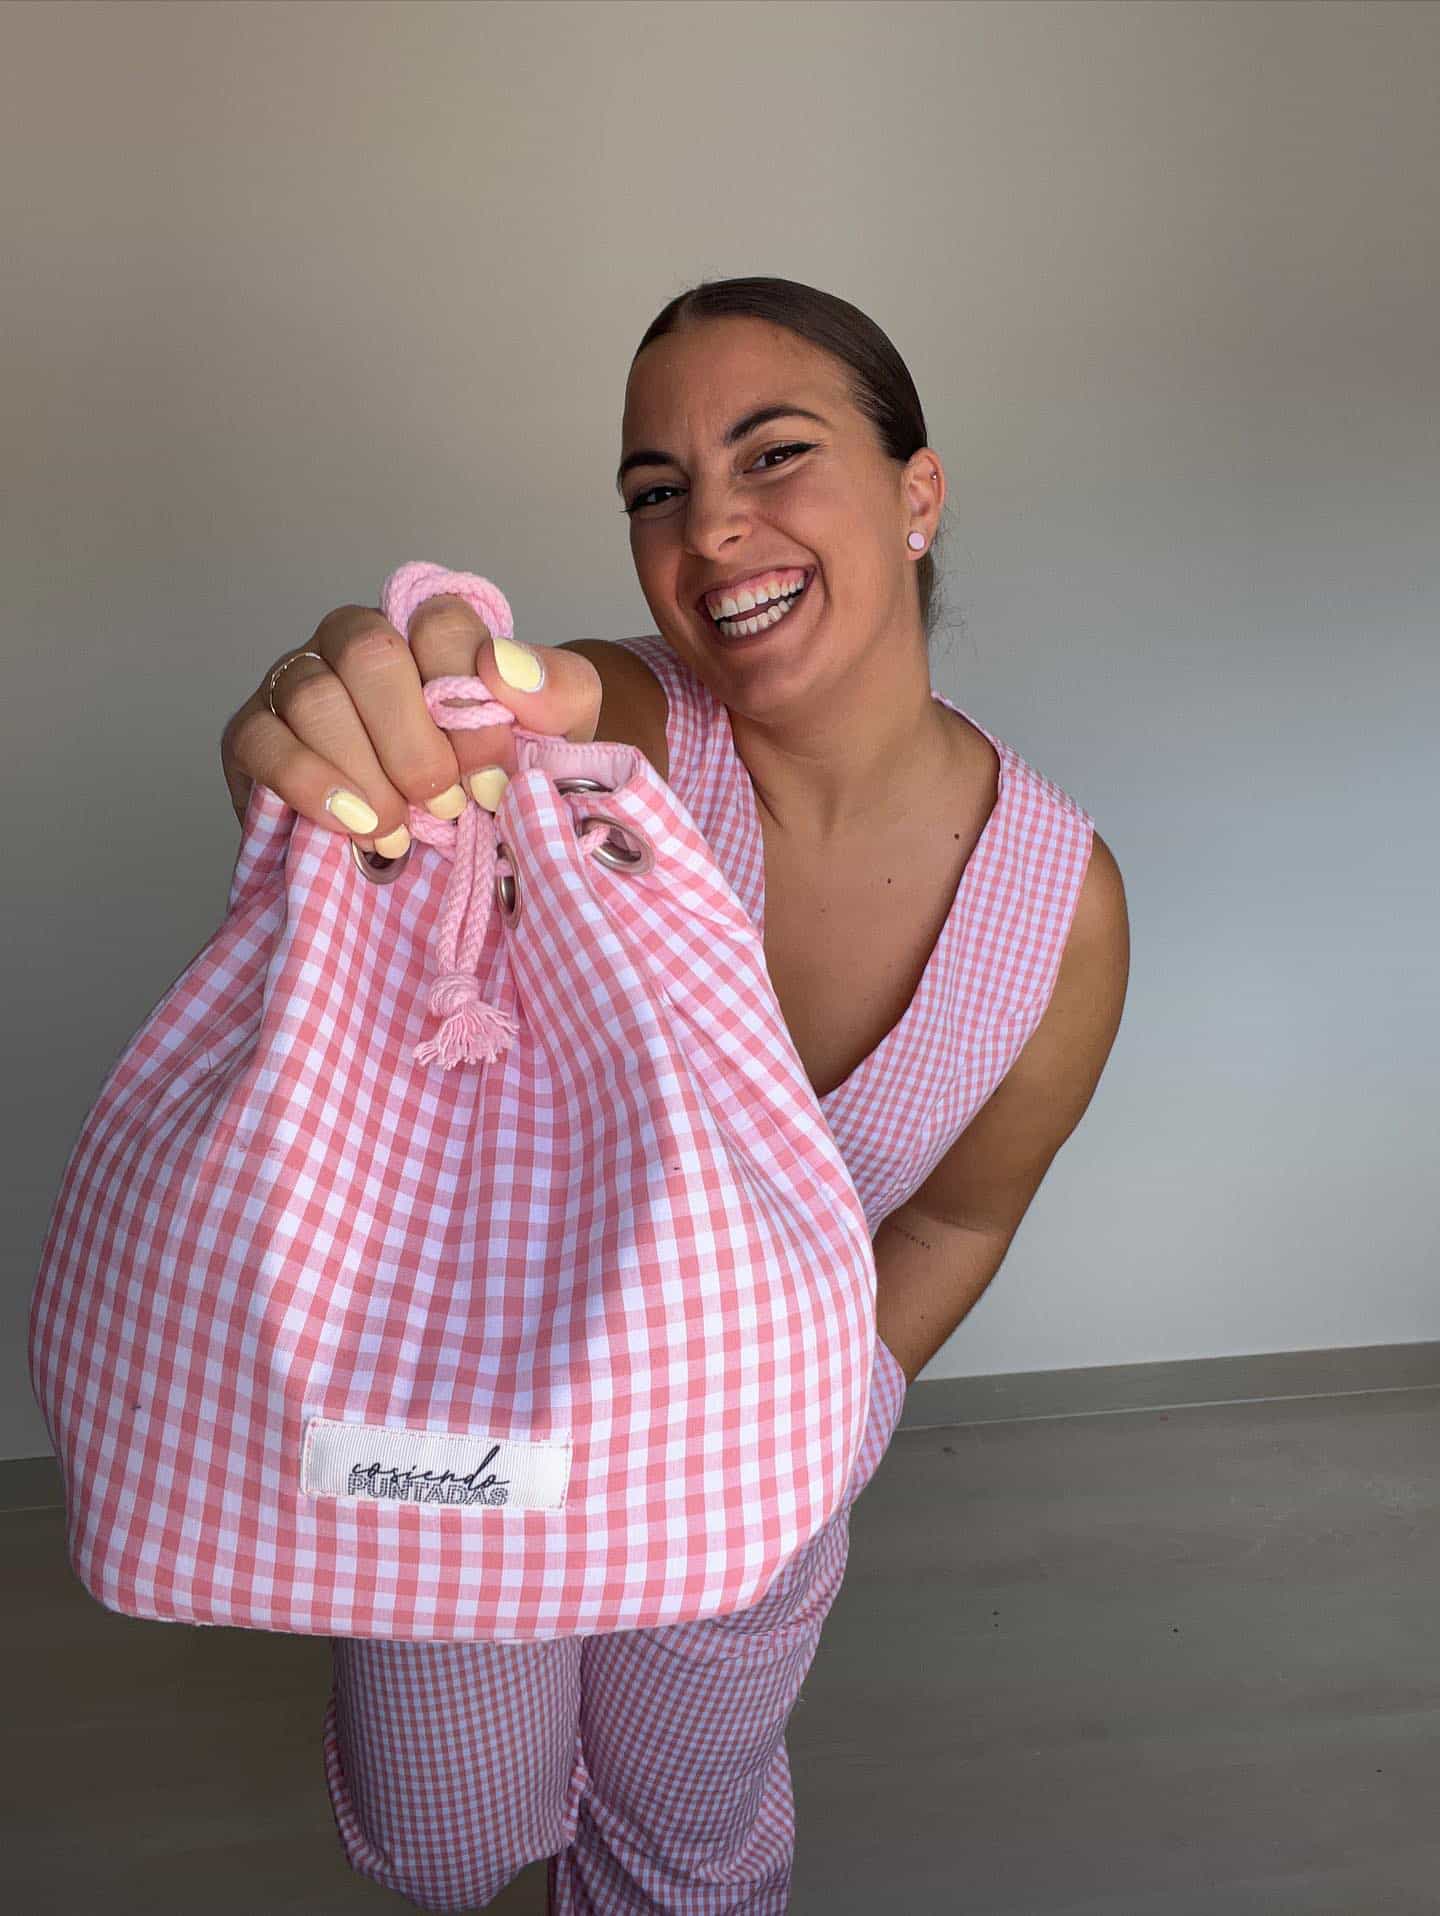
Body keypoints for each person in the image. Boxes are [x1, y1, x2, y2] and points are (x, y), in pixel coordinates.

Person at [220, 276, 1130, 1914]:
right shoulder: (617, 762)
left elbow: (958, 1217)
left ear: (917, 489)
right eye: (658, 489)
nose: (710, 528)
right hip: (479, 1438)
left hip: (752, 1481)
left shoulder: (1058, 907)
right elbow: (537, 710)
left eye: (774, 455)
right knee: (450, 1838)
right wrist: (381, 718)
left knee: (686, 1836)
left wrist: (832, 1411)